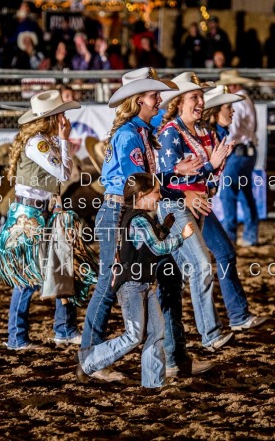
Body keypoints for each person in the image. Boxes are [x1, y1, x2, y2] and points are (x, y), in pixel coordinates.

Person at [80, 68, 213, 380]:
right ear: (138, 99)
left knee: (160, 280)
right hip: (121, 213)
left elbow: (143, 184)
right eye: (154, 95)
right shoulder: (130, 135)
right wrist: (175, 174)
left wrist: (172, 175)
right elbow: (135, 184)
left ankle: (171, 357)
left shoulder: (138, 132)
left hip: (129, 213)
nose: (159, 100)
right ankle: (90, 356)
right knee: (109, 283)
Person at [76, 173, 195, 388]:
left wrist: (166, 227)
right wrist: (182, 237)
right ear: (141, 195)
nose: (159, 197)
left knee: (156, 332)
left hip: (142, 283)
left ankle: (154, 382)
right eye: (156, 193)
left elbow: (148, 242)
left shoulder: (135, 217)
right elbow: (158, 248)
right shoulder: (139, 219)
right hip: (133, 285)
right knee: (134, 336)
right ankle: (89, 361)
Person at [0, 90, 82, 350]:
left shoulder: (41, 141)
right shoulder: (39, 143)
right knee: (28, 276)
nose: (64, 118)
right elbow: (64, 172)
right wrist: (65, 141)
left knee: (60, 266)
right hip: (29, 216)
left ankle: (61, 330)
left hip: (38, 211)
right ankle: (18, 337)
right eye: (61, 114)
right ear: (51, 118)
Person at [157, 71, 236, 350]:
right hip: (175, 208)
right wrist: (206, 170)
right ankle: (210, 334)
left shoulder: (202, 133)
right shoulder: (171, 134)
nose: (200, 102)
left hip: (196, 209)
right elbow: (163, 178)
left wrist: (216, 169)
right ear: (179, 102)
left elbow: (208, 181)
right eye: (194, 97)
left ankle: (169, 345)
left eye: (201, 97)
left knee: (175, 276)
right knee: (202, 264)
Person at [200, 85, 270, 331]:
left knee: (218, 256)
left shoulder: (214, 134)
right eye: (228, 107)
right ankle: (220, 325)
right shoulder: (207, 135)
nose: (232, 110)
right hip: (187, 204)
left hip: (195, 203)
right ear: (216, 110)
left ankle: (232, 318)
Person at [216, 69, 259, 246]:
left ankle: (230, 235)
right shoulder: (245, 100)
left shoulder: (238, 102)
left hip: (239, 151)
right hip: (246, 151)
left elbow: (231, 133)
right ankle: (250, 234)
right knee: (243, 191)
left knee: (228, 192)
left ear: (232, 85)